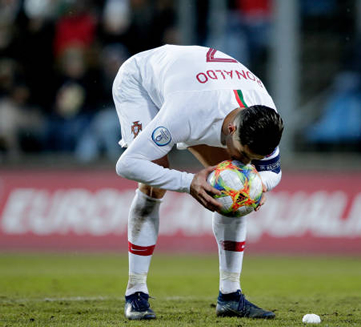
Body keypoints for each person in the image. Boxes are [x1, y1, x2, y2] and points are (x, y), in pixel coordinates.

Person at [113, 44, 283, 320]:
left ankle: (230, 296)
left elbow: (274, 171)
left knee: (235, 186)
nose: (245, 162)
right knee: (153, 183)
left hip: (195, 84)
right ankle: (136, 293)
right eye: (242, 153)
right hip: (142, 84)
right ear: (231, 129)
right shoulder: (186, 112)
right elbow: (128, 165)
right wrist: (187, 182)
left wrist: (258, 184)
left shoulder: (265, 117)